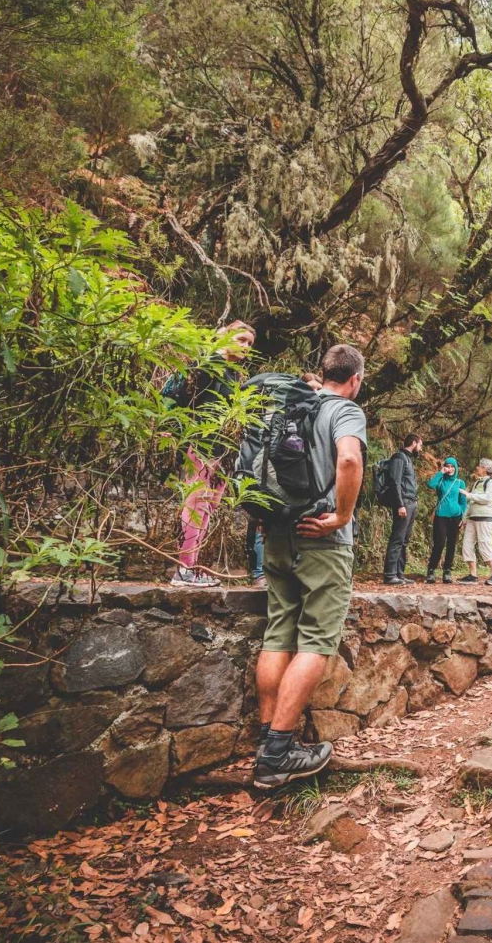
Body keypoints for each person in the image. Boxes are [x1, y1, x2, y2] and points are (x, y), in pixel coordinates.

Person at [253, 344, 367, 788]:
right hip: (322, 540)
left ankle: (266, 739)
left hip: (277, 536)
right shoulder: (345, 411)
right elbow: (349, 459)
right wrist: (340, 516)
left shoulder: (293, 404)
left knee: (279, 632)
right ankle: (278, 751)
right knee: (317, 640)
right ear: (355, 379)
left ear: (323, 371)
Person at [163, 320, 256, 587]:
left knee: (208, 508)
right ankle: (183, 569)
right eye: (240, 339)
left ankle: (192, 566)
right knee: (196, 504)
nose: (245, 347)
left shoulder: (233, 374)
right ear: (224, 336)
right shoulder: (206, 364)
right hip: (202, 447)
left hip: (223, 451)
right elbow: (181, 395)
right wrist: (169, 429)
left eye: (249, 343)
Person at [381, 433, 422, 584]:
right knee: (397, 538)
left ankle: (399, 573)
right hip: (403, 503)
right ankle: (390, 574)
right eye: (420, 445)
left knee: (404, 540)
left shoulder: (408, 459)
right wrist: (399, 505)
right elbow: (395, 482)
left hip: (411, 503)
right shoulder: (398, 458)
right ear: (413, 443)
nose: (421, 448)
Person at [458, 459, 492, 586]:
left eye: (479, 466)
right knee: (467, 545)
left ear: (485, 468)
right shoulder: (477, 482)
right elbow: (470, 503)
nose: (477, 467)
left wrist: (468, 495)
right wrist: (464, 518)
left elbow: (487, 498)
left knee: (485, 545)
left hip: (485, 518)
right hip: (472, 518)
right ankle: (473, 575)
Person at [424, 457, 466, 583]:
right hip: (441, 516)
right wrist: (441, 472)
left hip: (455, 517)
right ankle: (431, 570)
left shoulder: (460, 483)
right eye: (448, 466)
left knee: (452, 544)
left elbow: (463, 502)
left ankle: (447, 571)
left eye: (453, 466)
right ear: (445, 467)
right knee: (439, 543)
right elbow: (430, 484)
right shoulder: (441, 481)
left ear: (456, 468)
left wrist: (463, 517)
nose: (450, 469)